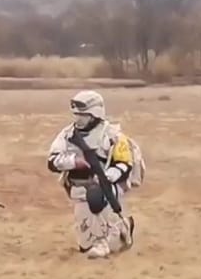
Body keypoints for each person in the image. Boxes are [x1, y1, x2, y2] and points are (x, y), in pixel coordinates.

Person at [46, 90, 141, 259]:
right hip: (78, 189)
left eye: (83, 115)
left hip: (106, 188)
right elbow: (52, 161)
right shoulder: (67, 135)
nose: (78, 119)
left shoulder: (112, 135)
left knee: (106, 237)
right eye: (76, 115)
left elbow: (125, 163)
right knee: (85, 245)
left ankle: (112, 235)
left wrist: (106, 178)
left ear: (95, 114)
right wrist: (74, 162)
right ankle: (120, 229)